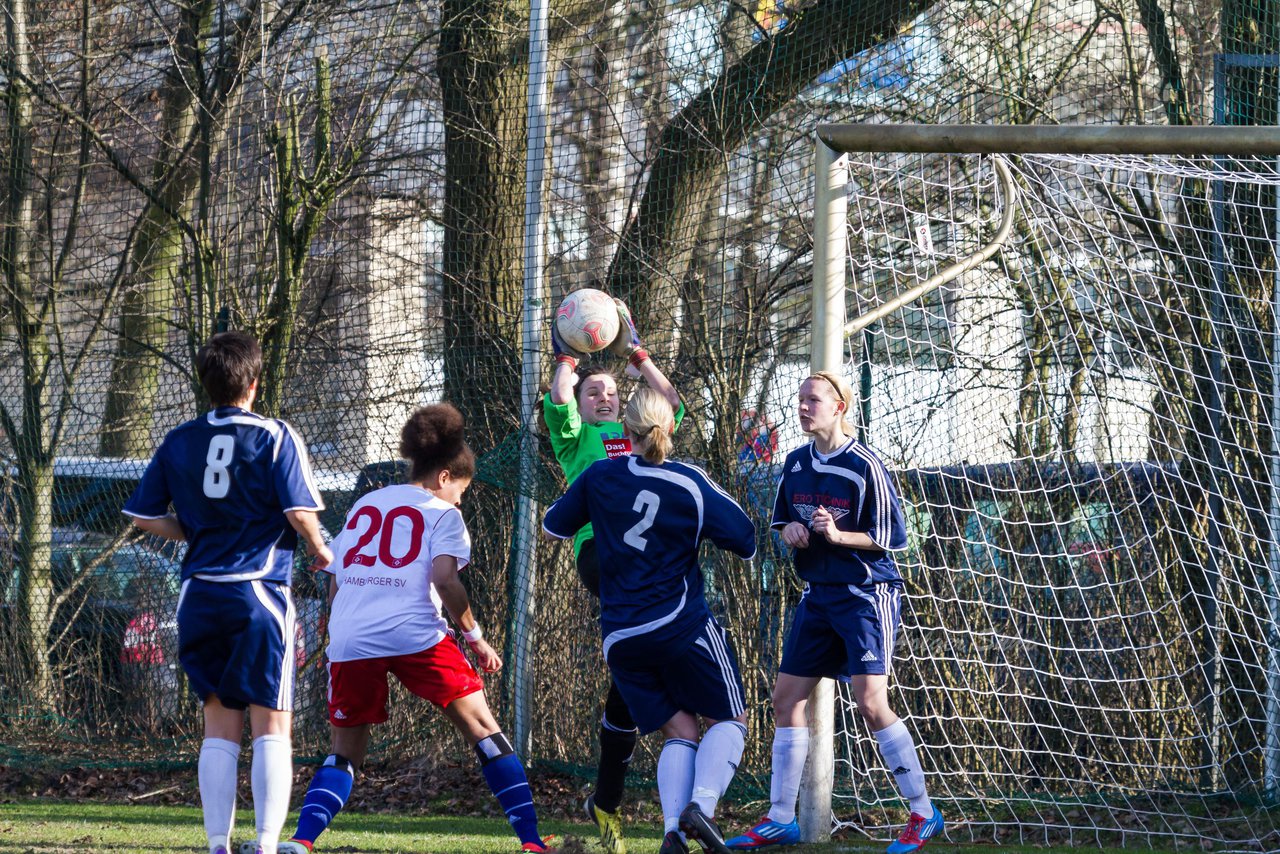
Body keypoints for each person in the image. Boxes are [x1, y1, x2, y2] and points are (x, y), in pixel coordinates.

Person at [276, 403, 556, 854]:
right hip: (417, 636)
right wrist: (475, 637)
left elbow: (333, 573)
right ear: (445, 476)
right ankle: (530, 842)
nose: (461, 501)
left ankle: (302, 840)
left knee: (345, 752)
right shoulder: (444, 515)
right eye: (461, 490)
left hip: (352, 636)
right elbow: (445, 580)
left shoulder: (367, 502)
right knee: (485, 730)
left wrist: (338, 627)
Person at [123, 331, 333, 854]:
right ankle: (263, 845)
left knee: (218, 721)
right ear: (254, 385)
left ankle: (218, 843)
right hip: (257, 593)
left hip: (198, 596)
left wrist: (198, 530)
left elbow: (143, 516)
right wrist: (320, 549)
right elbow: (298, 511)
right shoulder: (277, 436)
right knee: (271, 721)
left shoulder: (178, 440)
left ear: (205, 384)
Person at [724, 371, 943, 854]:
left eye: (813, 400)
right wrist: (792, 533)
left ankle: (924, 812)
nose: (803, 407)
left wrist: (839, 536)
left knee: (870, 702)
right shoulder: (797, 461)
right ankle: (781, 818)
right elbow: (782, 520)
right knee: (785, 699)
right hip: (817, 595)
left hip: (865, 596)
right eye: (799, 399)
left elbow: (891, 539)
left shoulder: (865, 465)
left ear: (840, 406)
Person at [543, 387, 756, 854]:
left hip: (621, 638)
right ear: (671, 428)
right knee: (731, 716)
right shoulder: (689, 482)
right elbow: (745, 538)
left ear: (625, 431)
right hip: (680, 626)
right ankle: (701, 805)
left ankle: (672, 836)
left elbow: (553, 524)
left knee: (680, 730)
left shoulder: (601, 475)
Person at [545, 297, 683, 854]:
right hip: (601, 557)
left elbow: (668, 402)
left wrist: (638, 354)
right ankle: (611, 795)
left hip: (652, 564)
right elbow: (559, 395)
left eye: (611, 392)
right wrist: (566, 357)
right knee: (645, 657)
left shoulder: (641, 436)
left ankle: (606, 797)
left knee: (638, 673)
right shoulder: (578, 440)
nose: (604, 397)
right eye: (592, 393)